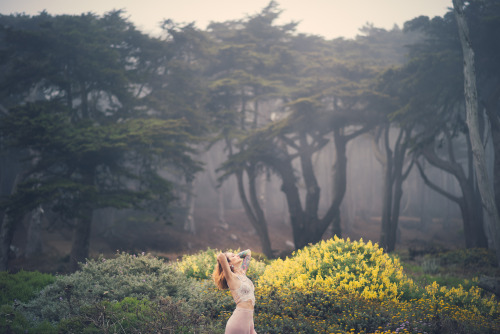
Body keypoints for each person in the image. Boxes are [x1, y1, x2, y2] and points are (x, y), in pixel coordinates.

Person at [213, 249, 257, 334]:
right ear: (228, 264)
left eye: (236, 255)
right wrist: (225, 261)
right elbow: (220, 256)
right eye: (233, 256)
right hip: (239, 322)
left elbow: (248, 252)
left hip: (249, 322)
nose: (237, 256)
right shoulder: (231, 277)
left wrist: (234, 256)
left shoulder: (242, 273)